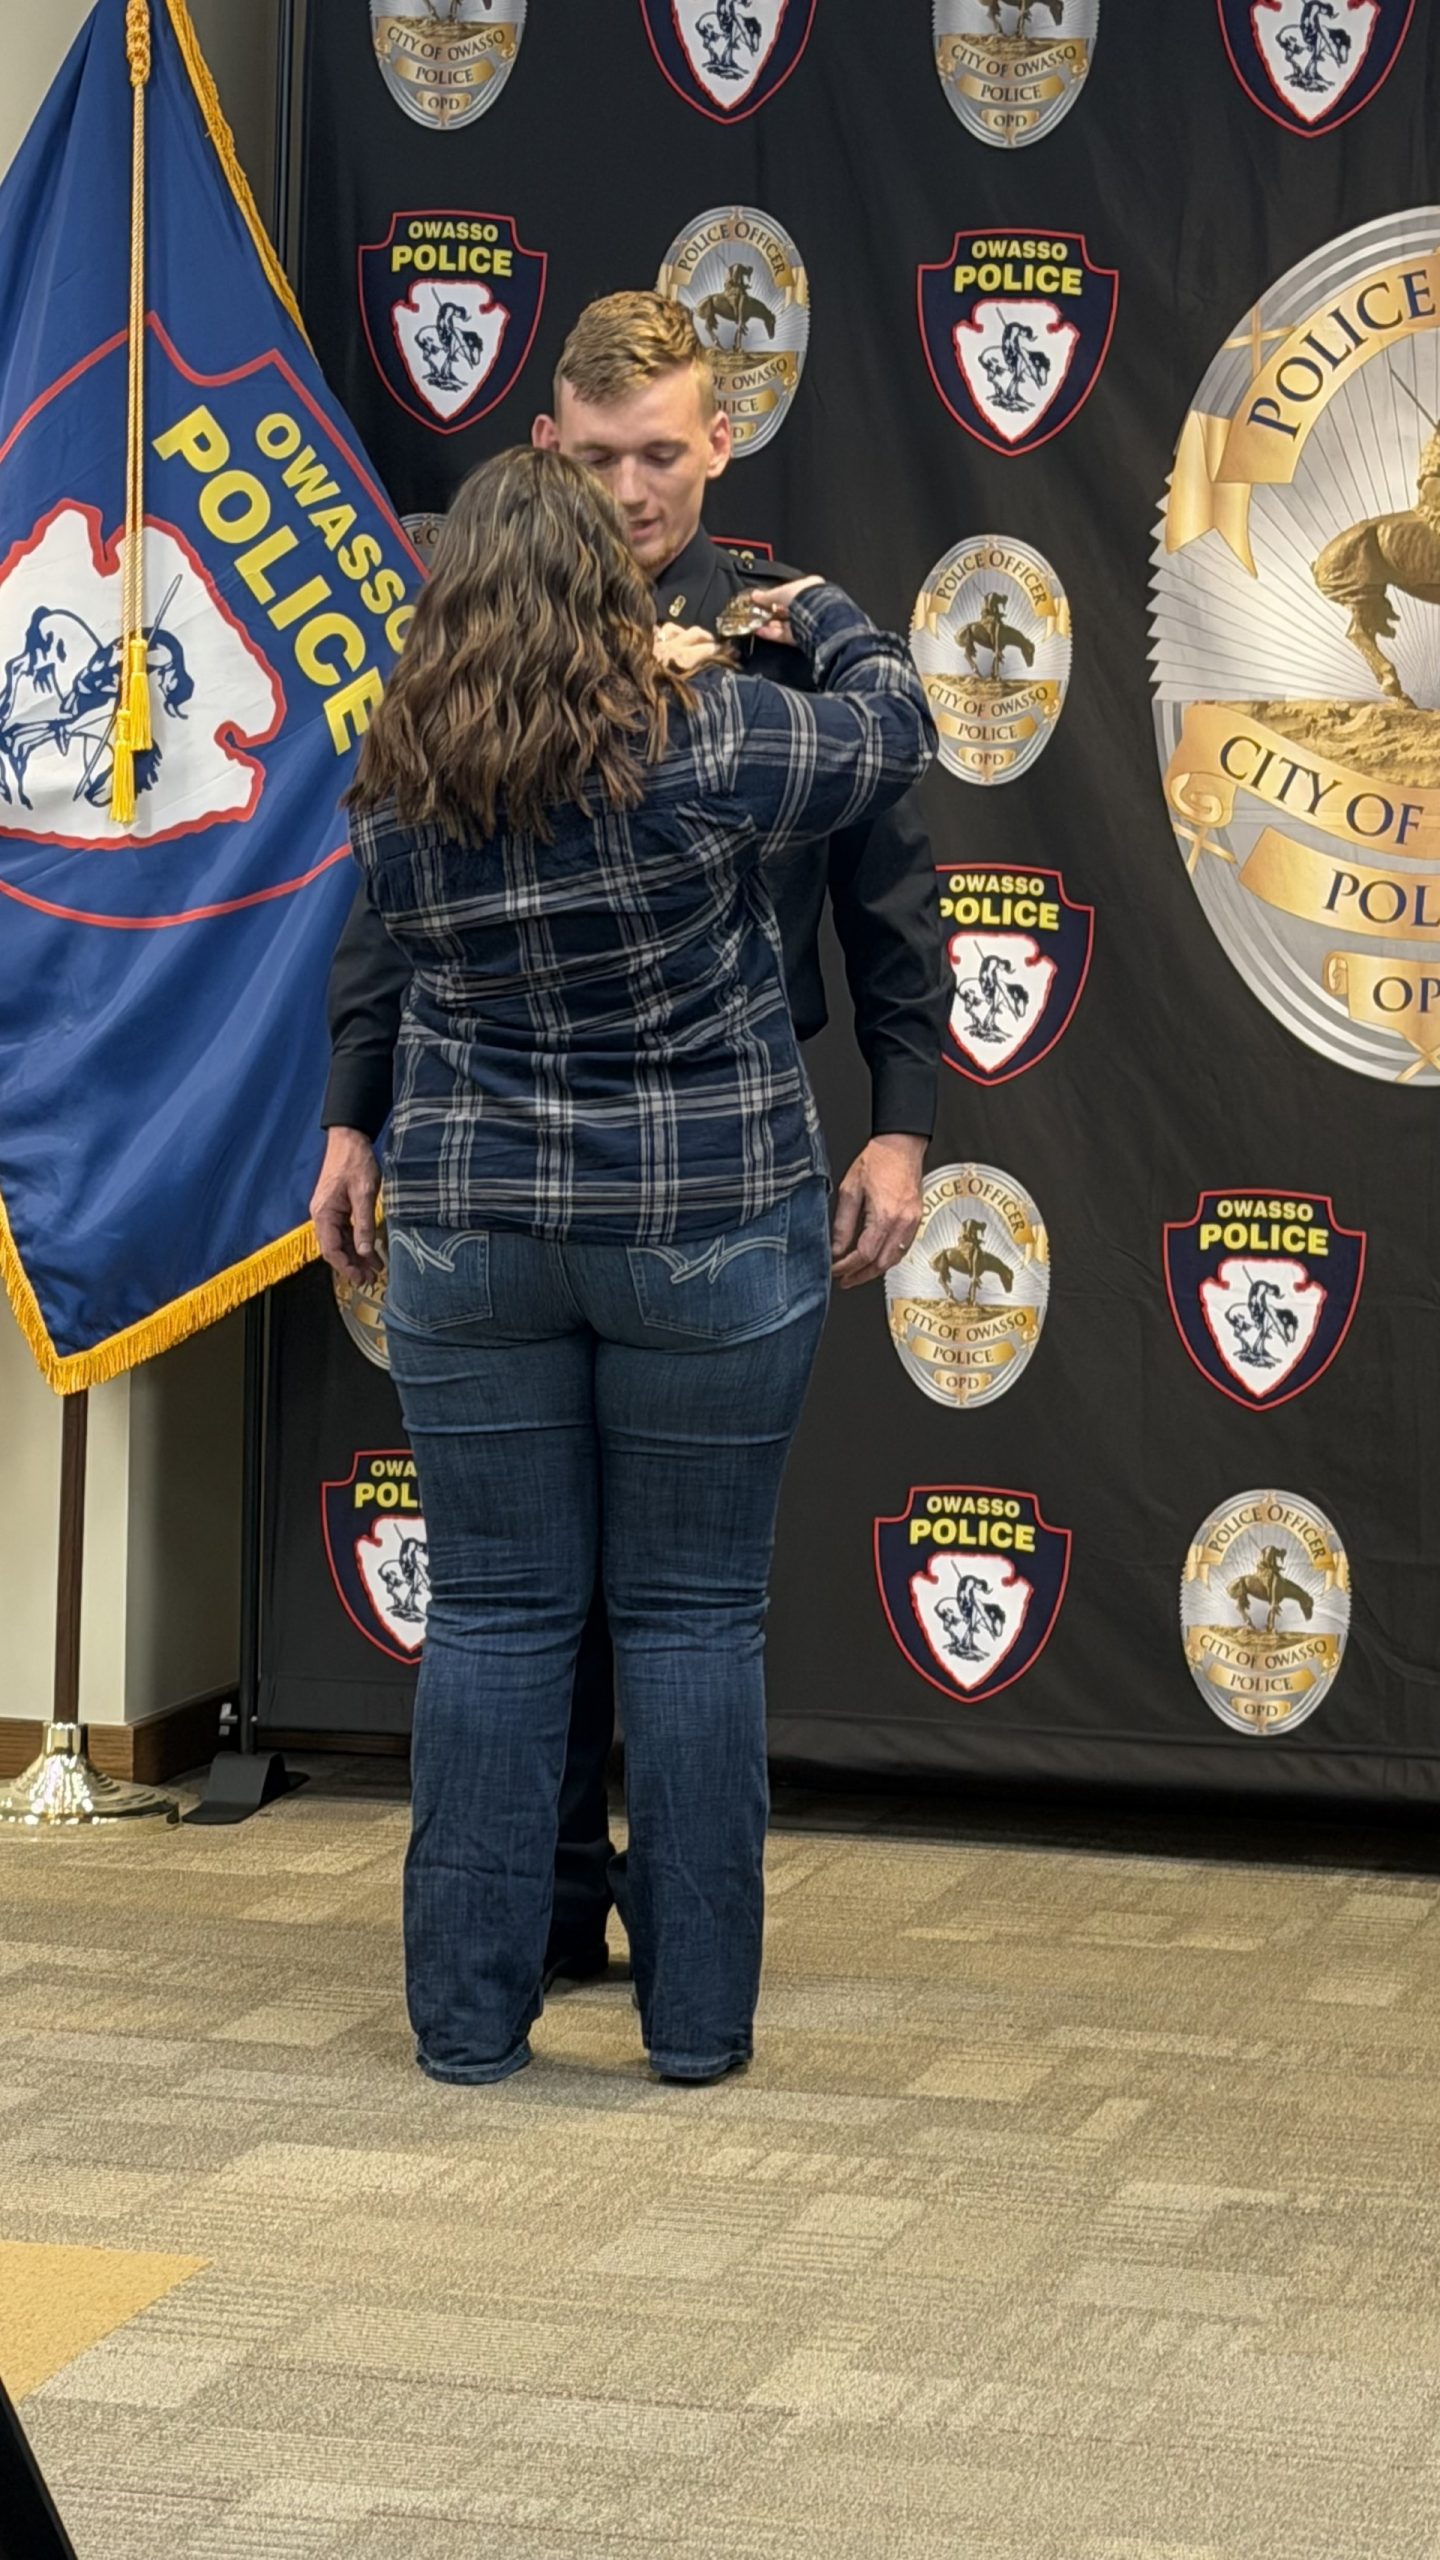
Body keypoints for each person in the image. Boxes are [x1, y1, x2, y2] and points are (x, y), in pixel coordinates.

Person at [312, 292, 947, 1988]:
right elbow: (377, 937)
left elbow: (894, 897)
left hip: (632, 1185)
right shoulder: (502, 672)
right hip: (657, 1199)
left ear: (718, 442)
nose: (631, 489)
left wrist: (904, 1127)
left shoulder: (751, 647)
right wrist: (349, 1111)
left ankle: (491, 2007)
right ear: (548, 449)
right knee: (634, 1613)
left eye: (660, 454)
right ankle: (573, 1956)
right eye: (598, 460)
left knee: (537, 1608)